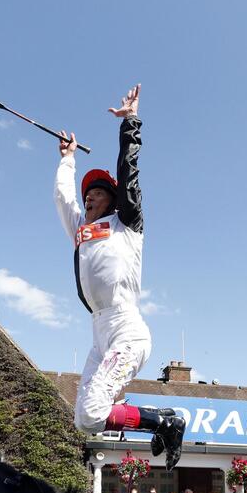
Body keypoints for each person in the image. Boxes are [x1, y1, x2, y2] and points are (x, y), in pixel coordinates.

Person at [54, 84, 185, 468]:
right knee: (85, 419)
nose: (89, 197)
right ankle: (159, 422)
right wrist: (67, 160)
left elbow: (129, 175)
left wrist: (130, 123)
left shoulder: (127, 223)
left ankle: (167, 422)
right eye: (87, 194)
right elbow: (63, 199)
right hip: (99, 336)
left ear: (113, 200)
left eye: (97, 192)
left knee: (95, 408)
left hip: (127, 330)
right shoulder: (81, 229)